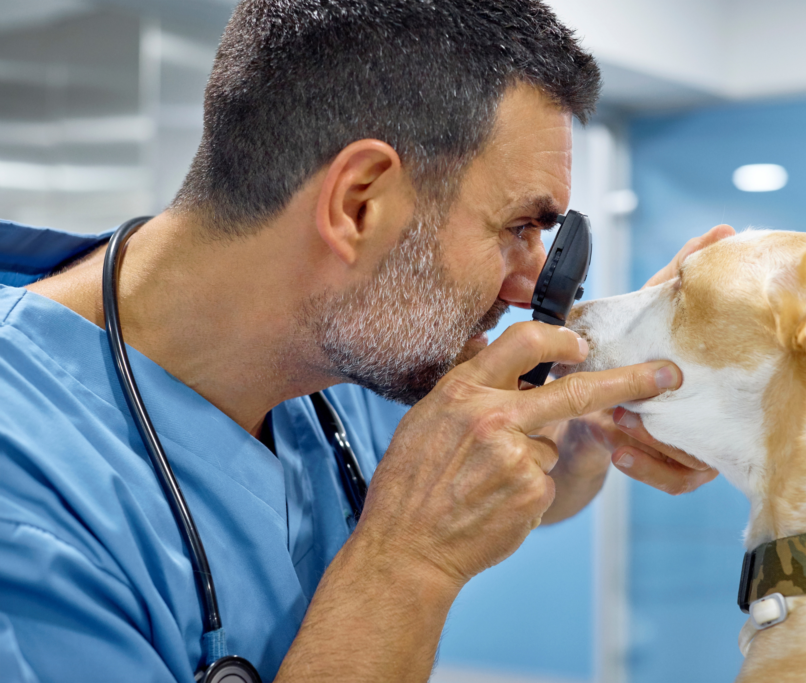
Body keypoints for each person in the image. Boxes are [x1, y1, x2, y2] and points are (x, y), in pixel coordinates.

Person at [0, 1, 733, 681]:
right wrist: (409, 562)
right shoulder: (24, 496)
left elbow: (524, 484)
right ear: (359, 204)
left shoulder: (345, 346)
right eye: (518, 227)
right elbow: (426, 524)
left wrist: (586, 415)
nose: (528, 284)